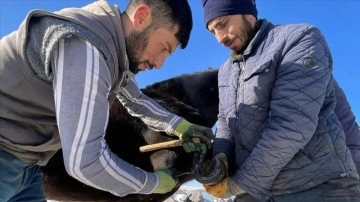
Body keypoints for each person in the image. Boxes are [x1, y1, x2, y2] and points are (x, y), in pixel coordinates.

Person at [0, 0, 215, 201]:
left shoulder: (111, 55)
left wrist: (181, 127)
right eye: (163, 48)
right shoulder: (85, 48)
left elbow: (136, 101)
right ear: (141, 17)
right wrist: (152, 183)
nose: (159, 64)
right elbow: (85, 162)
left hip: (25, 166)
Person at [199, 0, 360, 201]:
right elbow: (224, 121)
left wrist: (239, 184)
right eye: (212, 31)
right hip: (253, 194)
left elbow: (292, 125)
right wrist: (221, 158)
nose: (219, 38)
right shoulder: (226, 71)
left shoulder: (298, 40)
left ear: (247, 13)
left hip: (314, 187)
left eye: (222, 24)